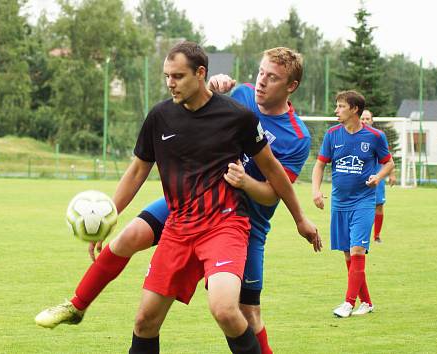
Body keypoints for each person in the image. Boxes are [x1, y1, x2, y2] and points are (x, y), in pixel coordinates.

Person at [36, 47, 318, 354]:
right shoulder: (238, 96)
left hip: (239, 217)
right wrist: (106, 216)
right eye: (260, 72)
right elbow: (144, 164)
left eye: (272, 77)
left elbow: (273, 186)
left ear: (291, 86)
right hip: (185, 208)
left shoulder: (290, 134)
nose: (262, 81)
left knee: (241, 313)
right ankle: (76, 305)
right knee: (130, 245)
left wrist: (296, 215)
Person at [312, 91, 394, 318]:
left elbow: (389, 164)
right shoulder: (332, 135)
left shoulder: (375, 136)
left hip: (364, 202)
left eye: (340, 106)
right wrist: (316, 191)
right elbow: (319, 165)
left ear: (354, 109)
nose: (336, 111)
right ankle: (366, 302)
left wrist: (378, 178)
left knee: (358, 249)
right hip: (339, 203)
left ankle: (348, 303)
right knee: (349, 256)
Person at [360, 110, 397, 243]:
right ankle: (362, 235)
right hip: (359, 177)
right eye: (362, 118)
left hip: (377, 176)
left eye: (367, 119)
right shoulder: (355, 135)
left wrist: (392, 173)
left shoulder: (378, 136)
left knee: (379, 205)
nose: (364, 121)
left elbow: (387, 157)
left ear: (372, 121)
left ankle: (376, 236)